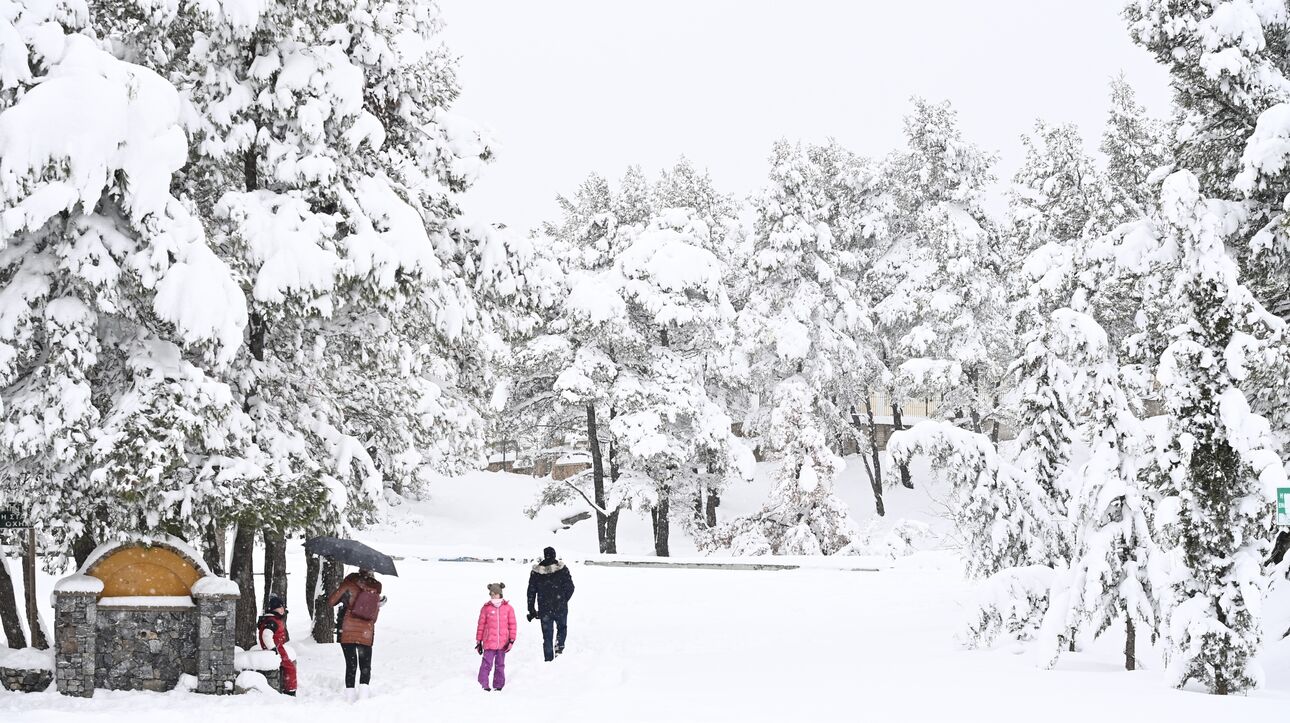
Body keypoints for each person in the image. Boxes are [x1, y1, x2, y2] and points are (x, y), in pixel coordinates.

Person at [327, 568, 385, 701]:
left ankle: (350, 698)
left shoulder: (349, 582)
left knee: (351, 665)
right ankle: (363, 697)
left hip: (348, 631)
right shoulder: (375, 588)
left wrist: (343, 595)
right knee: (365, 666)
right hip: (366, 633)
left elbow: (331, 601)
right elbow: (373, 618)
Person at [526, 546, 574, 662]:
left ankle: (548, 659)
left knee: (547, 635)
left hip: (544, 608)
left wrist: (531, 609)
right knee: (562, 628)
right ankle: (559, 647)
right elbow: (571, 587)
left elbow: (531, 592)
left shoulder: (536, 572)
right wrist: (563, 599)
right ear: (554, 555)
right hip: (560, 607)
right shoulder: (562, 569)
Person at [474, 582, 517, 692]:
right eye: (491, 594)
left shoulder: (508, 608)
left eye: (495, 594)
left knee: (500, 664)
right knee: (486, 664)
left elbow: (512, 625)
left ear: (500, 594)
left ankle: (499, 685)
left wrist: (511, 640)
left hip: (503, 643)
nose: (493, 596)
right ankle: (483, 684)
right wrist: (479, 641)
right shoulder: (486, 608)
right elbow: (481, 626)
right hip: (489, 642)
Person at [257, 595, 297, 696]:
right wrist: (273, 648)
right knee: (289, 667)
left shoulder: (273, 619)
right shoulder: (272, 621)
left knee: (287, 666)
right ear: (274, 609)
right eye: (280, 607)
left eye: (283, 607)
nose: (283, 609)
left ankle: (286, 686)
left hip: (278, 647)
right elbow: (266, 635)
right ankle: (290, 690)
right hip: (277, 648)